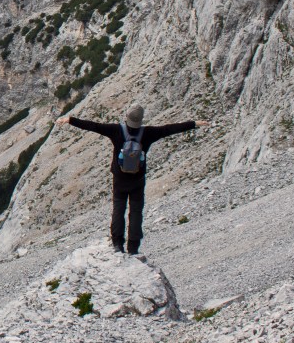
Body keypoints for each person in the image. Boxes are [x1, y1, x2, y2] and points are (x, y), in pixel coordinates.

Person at [56, 105, 208, 255]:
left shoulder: (116, 130)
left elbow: (94, 126)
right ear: (141, 120)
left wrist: (70, 120)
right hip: (138, 180)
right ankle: (133, 247)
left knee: (118, 209)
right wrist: (194, 124)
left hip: (119, 179)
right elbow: (170, 129)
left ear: (127, 117)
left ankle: (117, 244)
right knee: (135, 212)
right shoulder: (149, 133)